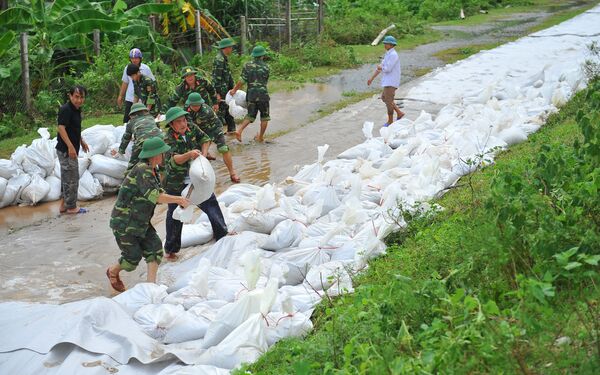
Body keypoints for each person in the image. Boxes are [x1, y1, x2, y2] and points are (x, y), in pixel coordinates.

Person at [107, 137, 190, 292]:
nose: (164, 155)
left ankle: (150, 288)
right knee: (131, 260)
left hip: (141, 221)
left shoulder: (154, 170)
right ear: (155, 155)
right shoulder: (142, 169)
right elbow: (155, 196)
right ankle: (112, 271)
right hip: (125, 222)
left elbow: (157, 195)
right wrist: (178, 199)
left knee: (155, 250)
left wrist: (178, 198)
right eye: (162, 153)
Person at [162, 106, 230, 261]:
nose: (183, 124)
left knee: (210, 203)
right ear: (172, 125)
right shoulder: (168, 139)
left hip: (196, 179)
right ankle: (171, 249)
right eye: (178, 122)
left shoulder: (192, 128)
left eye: (184, 120)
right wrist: (189, 154)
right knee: (175, 215)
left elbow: (205, 139)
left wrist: (203, 156)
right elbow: (174, 159)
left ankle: (222, 234)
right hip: (176, 182)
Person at [185, 93, 240, 183]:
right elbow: (190, 126)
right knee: (197, 154)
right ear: (189, 104)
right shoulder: (186, 111)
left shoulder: (206, 111)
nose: (195, 107)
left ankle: (232, 173)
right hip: (199, 131)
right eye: (193, 105)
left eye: (197, 105)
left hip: (214, 128)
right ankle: (203, 177)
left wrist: (206, 145)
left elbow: (208, 135)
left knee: (223, 149)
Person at [56, 85, 89, 215]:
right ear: (70, 96)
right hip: (66, 150)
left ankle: (64, 205)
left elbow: (73, 128)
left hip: (70, 148)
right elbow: (61, 128)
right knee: (71, 178)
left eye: (82, 97)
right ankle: (71, 207)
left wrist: (81, 141)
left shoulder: (76, 110)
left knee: (67, 177)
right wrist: (70, 147)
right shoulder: (66, 109)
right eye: (76, 97)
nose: (79, 100)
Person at [230, 45, 270, 143]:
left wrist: (234, 90)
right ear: (262, 55)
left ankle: (239, 130)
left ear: (253, 55)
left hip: (251, 95)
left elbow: (242, 80)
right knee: (265, 117)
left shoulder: (247, 66)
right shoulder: (266, 67)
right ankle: (260, 137)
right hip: (263, 96)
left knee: (250, 115)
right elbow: (265, 81)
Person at [113, 102, 163, 171]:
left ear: (132, 114)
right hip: (159, 140)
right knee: (160, 161)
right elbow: (155, 128)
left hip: (142, 142)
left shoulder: (131, 122)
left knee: (133, 165)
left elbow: (126, 138)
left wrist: (121, 151)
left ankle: (128, 177)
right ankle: (159, 175)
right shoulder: (151, 117)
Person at [367, 35, 404, 126]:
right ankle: (399, 113)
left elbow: (387, 69)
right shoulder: (388, 54)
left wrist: (381, 67)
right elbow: (380, 67)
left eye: (386, 43)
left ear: (391, 45)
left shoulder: (393, 55)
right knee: (385, 98)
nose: (384, 45)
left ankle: (390, 121)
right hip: (387, 81)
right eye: (384, 43)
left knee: (388, 101)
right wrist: (371, 78)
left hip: (391, 81)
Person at [117, 48, 155, 124]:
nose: (134, 60)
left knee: (145, 122)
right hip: (131, 98)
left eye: (136, 58)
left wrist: (148, 108)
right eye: (132, 58)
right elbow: (126, 83)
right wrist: (121, 96)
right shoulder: (129, 71)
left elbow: (152, 93)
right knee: (127, 121)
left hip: (145, 101)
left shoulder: (146, 71)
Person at [212, 38, 237, 133]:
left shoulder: (223, 58)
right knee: (220, 113)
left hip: (226, 90)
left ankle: (232, 131)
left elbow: (227, 75)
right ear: (226, 48)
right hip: (221, 91)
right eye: (230, 47)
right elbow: (216, 78)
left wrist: (233, 88)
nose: (231, 49)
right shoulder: (219, 59)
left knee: (228, 110)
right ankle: (217, 134)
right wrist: (217, 93)